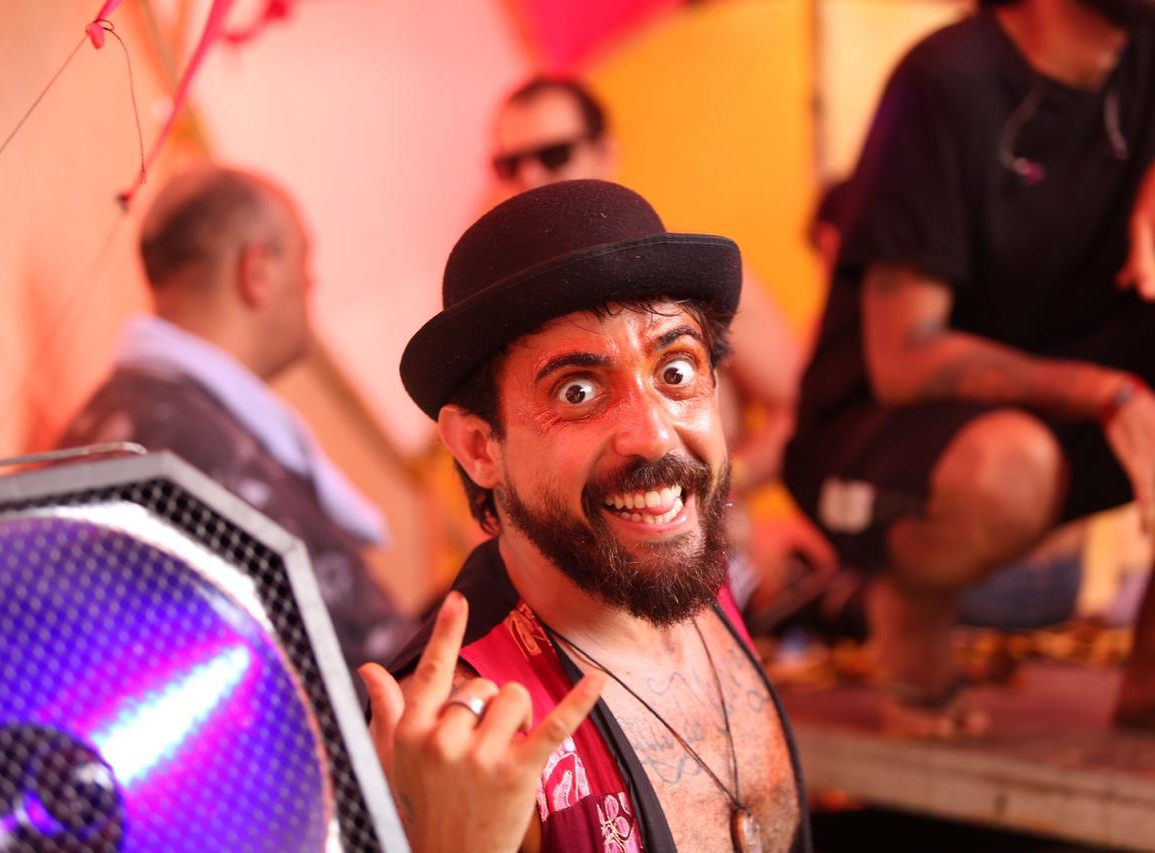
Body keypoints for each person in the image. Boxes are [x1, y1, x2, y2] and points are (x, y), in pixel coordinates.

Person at [359, 180, 809, 852]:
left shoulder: (684, 569)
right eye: (578, 390)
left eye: (676, 372)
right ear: (480, 447)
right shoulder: (464, 740)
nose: (654, 436)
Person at [785, 0, 1155, 735]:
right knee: (1011, 468)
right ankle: (910, 608)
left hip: (1082, 406)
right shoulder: (947, 78)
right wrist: (1110, 395)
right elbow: (906, 357)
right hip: (894, 432)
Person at [491, 76, 834, 607]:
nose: (531, 177)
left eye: (554, 155)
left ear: (605, 153)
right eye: (509, 165)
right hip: (573, 593)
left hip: (708, 565)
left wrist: (718, 481)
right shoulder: (499, 327)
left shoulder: (693, 283)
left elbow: (806, 408)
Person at [59, 165, 411, 675]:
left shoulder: (150, 416)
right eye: (304, 260)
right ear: (258, 271)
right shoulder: (180, 442)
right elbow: (331, 668)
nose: (311, 282)